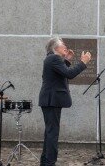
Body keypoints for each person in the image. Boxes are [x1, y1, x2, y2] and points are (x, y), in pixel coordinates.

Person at [39, 37, 91, 166]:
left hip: (50, 100)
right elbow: (70, 74)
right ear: (55, 48)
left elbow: (61, 72)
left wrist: (67, 60)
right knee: (52, 133)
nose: (65, 47)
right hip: (52, 100)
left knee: (50, 132)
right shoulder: (54, 58)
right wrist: (83, 62)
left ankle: (45, 162)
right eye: (63, 45)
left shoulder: (52, 58)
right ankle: (50, 163)